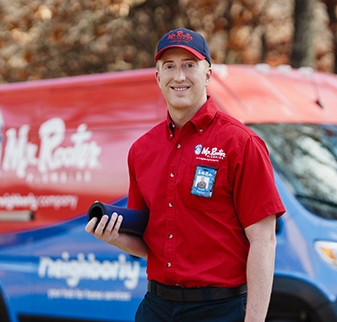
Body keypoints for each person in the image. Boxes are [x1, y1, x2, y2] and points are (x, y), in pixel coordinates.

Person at [85, 27, 285, 322]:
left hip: (220, 309)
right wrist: (114, 237)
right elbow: (147, 244)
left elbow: (264, 240)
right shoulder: (141, 150)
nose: (179, 76)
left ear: (207, 74)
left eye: (189, 65)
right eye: (170, 67)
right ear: (157, 77)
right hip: (156, 307)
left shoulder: (241, 143)